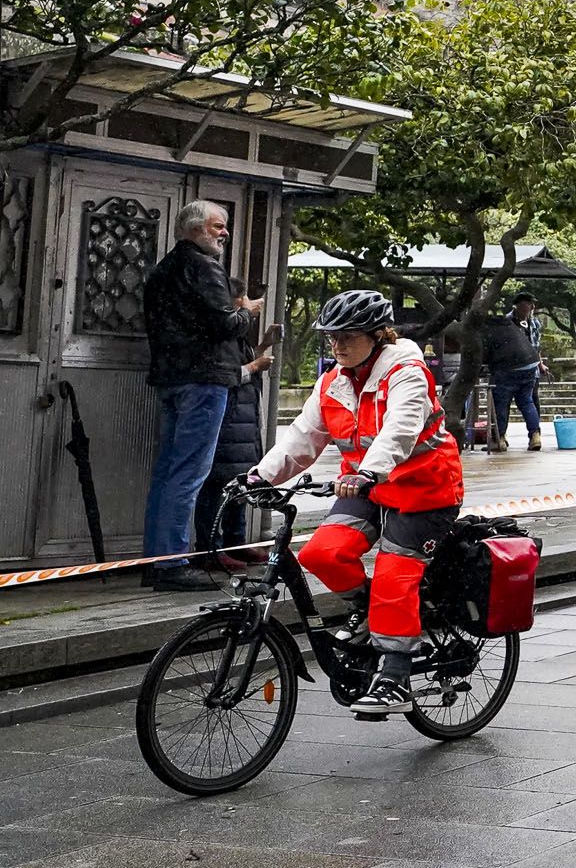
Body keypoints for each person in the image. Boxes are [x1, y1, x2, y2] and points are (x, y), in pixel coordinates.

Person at [243, 289, 462, 714]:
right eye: (332, 338)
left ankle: (396, 675)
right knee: (323, 554)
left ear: (379, 336)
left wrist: (367, 472)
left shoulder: (406, 371)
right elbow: (302, 437)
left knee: (394, 577)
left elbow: (400, 428)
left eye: (348, 336)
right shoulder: (332, 383)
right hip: (368, 488)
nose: (337, 346)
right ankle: (366, 610)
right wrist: (258, 476)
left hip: (424, 490)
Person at [142, 201, 259, 591]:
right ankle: (172, 562)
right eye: (217, 227)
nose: (224, 233)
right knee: (190, 471)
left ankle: (156, 558)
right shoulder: (205, 266)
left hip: (171, 377)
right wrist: (246, 311)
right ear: (195, 230)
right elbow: (224, 324)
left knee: (168, 471)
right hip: (204, 378)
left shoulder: (162, 270)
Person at [191, 289, 276, 571]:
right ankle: (209, 547)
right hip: (227, 417)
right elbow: (225, 374)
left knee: (239, 482)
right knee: (215, 486)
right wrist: (254, 365)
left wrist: (261, 347)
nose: (251, 307)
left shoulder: (237, 336)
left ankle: (236, 543)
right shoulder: (218, 334)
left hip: (244, 418)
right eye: (244, 300)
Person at [479, 292, 545, 452]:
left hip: (516, 367)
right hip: (527, 365)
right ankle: (530, 435)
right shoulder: (508, 321)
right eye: (527, 304)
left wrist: (540, 364)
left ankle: (502, 438)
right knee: (526, 401)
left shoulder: (534, 323)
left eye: (531, 304)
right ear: (517, 305)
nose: (530, 307)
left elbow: (536, 346)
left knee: (503, 402)